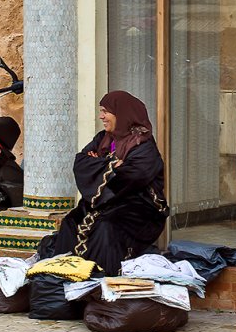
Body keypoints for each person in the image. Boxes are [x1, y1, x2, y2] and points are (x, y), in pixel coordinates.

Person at [38, 91, 168, 275]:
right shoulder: (103, 139)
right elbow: (81, 162)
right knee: (70, 222)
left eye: (106, 111)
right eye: (101, 111)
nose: (101, 116)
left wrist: (100, 164)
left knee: (105, 227)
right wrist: (112, 164)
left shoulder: (144, 146)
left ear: (122, 114)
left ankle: (99, 278)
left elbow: (130, 178)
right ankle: (62, 276)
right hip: (104, 202)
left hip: (138, 208)